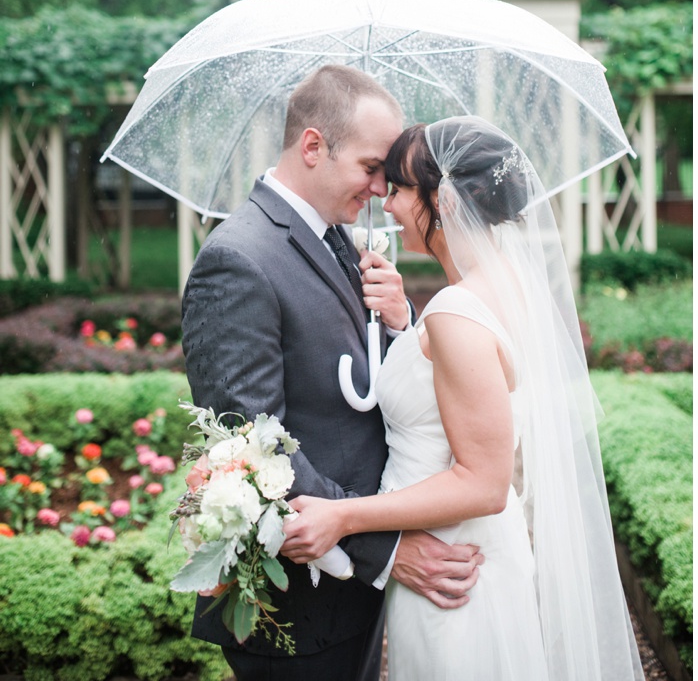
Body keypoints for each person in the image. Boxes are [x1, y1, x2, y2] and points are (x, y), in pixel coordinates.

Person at [280, 116, 644, 681]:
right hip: (478, 561)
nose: (389, 203)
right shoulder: (503, 288)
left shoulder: (455, 314)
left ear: (442, 200)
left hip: (451, 571)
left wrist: (343, 516)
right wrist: (408, 324)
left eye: (399, 189)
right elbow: (458, 384)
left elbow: (483, 482)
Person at [182, 64, 483, 681]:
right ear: (314, 146)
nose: (381, 188)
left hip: (351, 593)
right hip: (297, 608)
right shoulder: (238, 261)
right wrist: (388, 547)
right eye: (372, 168)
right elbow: (254, 450)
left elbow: (361, 388)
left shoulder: (336, 237)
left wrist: (400, 322)